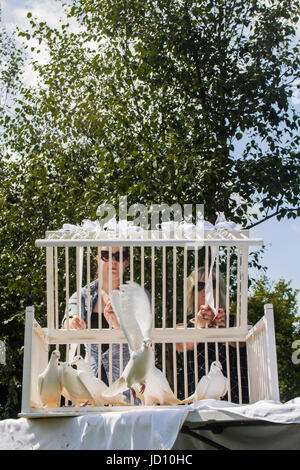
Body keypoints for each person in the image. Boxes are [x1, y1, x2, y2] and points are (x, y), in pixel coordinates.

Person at [177, 267, 249, 404]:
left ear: (219, 290)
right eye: (199, 285)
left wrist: (224, 331)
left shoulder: (236, 322)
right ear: (191, 293)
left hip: (237, 400)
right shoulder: (182, 327)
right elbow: (184, 346)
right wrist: (200, 327)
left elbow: (242, 343)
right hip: (198, 403)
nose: (206, 290)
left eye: (212, 284)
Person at [62, 246, 131, 388]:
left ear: (126, 261)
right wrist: (72, 323)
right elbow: (68, 320)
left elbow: (144, 339)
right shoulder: (83, 295)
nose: (113, 261)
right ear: (98, 259)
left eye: (119, 256)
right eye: (106, 255)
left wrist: (119, 326)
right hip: (91, 385)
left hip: (126, 386)